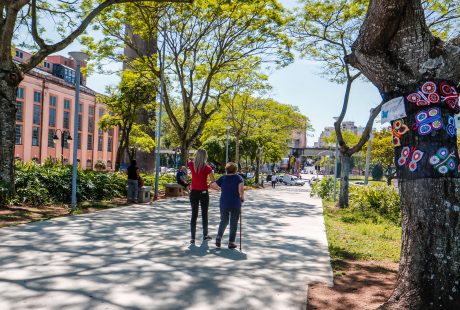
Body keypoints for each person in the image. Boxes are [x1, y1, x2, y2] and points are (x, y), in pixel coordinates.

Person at [210, 162, 244, 249]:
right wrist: (242, 197)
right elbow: (241, 190)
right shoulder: (239, 178)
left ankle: (218, 237)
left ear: (226, 169)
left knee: (224, 221)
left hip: (224, 203)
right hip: (235, 203)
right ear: (235, 170)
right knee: (233, 223)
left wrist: (218, 188)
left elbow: (213, 185)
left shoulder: (223, 178)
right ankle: (231, 242)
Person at [188, 149, 216, 244]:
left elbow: (187, 160)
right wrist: (208, 184)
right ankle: (205, 235)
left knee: (194, 215)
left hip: (194, 192)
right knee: (204, 214)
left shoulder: (191, 165)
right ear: (205, 156)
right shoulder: (208, 168)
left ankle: (193, 238)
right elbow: (213, 181)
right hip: (204, 192)